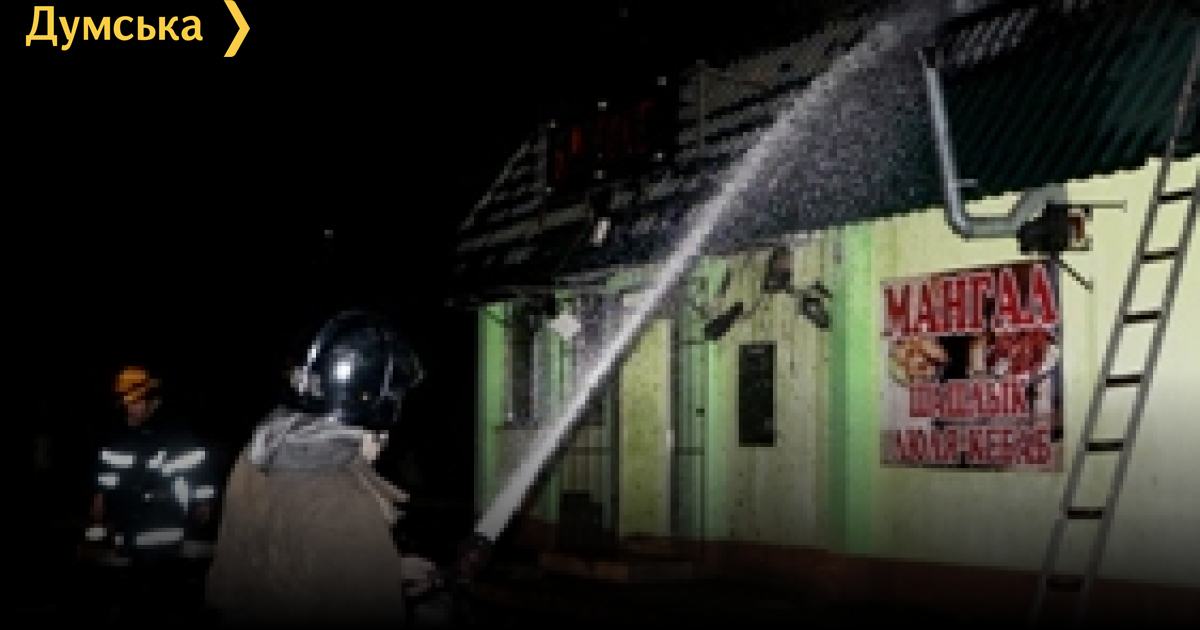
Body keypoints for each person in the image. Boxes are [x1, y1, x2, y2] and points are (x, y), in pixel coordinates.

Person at [205, 310, 443, 628]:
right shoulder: (346, 508)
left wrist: (384, 568)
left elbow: (276, 563)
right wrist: (368, 569)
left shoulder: (257, 456)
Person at [82, 365, 218, 625]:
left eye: (135, 402)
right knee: (133, 584)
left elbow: (198, 468)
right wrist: (99, 496)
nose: (130, 408)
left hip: (164, 519)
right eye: (127, 403)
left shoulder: (175, 433)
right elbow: (108, 469)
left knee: (155, 585)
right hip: (129, 522)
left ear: (152, 401)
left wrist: (203, 501)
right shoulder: (119, 434)